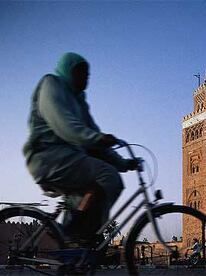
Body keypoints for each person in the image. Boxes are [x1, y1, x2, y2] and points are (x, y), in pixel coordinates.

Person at [23, 52, 137, 240]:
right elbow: (65, 125)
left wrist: (124, 163)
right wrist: (97, 138)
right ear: (67, 71)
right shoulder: (51, 84)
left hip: (70, 159)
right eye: (80, 72)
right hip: (48, 157)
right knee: (107, 175)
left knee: (86, 196)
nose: (85, 78)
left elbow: (95, 142)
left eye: (87, 74)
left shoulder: (79, 101)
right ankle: (81, 232)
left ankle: (72, 249)